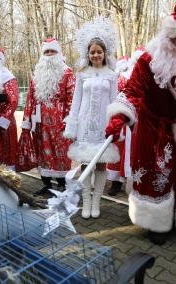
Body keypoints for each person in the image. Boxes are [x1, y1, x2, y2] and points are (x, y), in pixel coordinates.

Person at [105, 2, 176, 245]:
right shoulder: (148, 59)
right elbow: (133, 89)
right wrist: (120, 114)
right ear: (166, 33)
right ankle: (155, 223)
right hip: (152, 128)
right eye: (174, 38)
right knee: (156, 174)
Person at [64, 17, 119, 219]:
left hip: (104, 126)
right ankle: (86, 201)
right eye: (92, 52)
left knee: (102, 164)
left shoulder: (112, 75)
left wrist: (116, 124)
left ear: (105, 54)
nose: (96, 55)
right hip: (85, 125)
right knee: (87, 163)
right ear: (88, 54)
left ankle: (97, 201)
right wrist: (72, 124)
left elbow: (115, 102)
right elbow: (76, 101)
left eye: (99, 51)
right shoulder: (82, 74)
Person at [21, 38, 75, 195]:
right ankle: (46, 184)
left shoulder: (67, 72)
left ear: (59, 53)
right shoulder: (37, 73)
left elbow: (72, 98)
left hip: (59, 122)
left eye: (52, 51)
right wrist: (27, 119)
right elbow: (30, 97)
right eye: (47, 51)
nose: (49, 54)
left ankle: (62, 184)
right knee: (41, 152)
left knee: (60, 152)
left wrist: (69, 121)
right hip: (39, 122)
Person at [106, 55, 130, 196]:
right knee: (118, 149)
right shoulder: (118, 79)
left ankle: (131, 181)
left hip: (135, 121)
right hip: (120, 119)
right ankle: (116, 182)